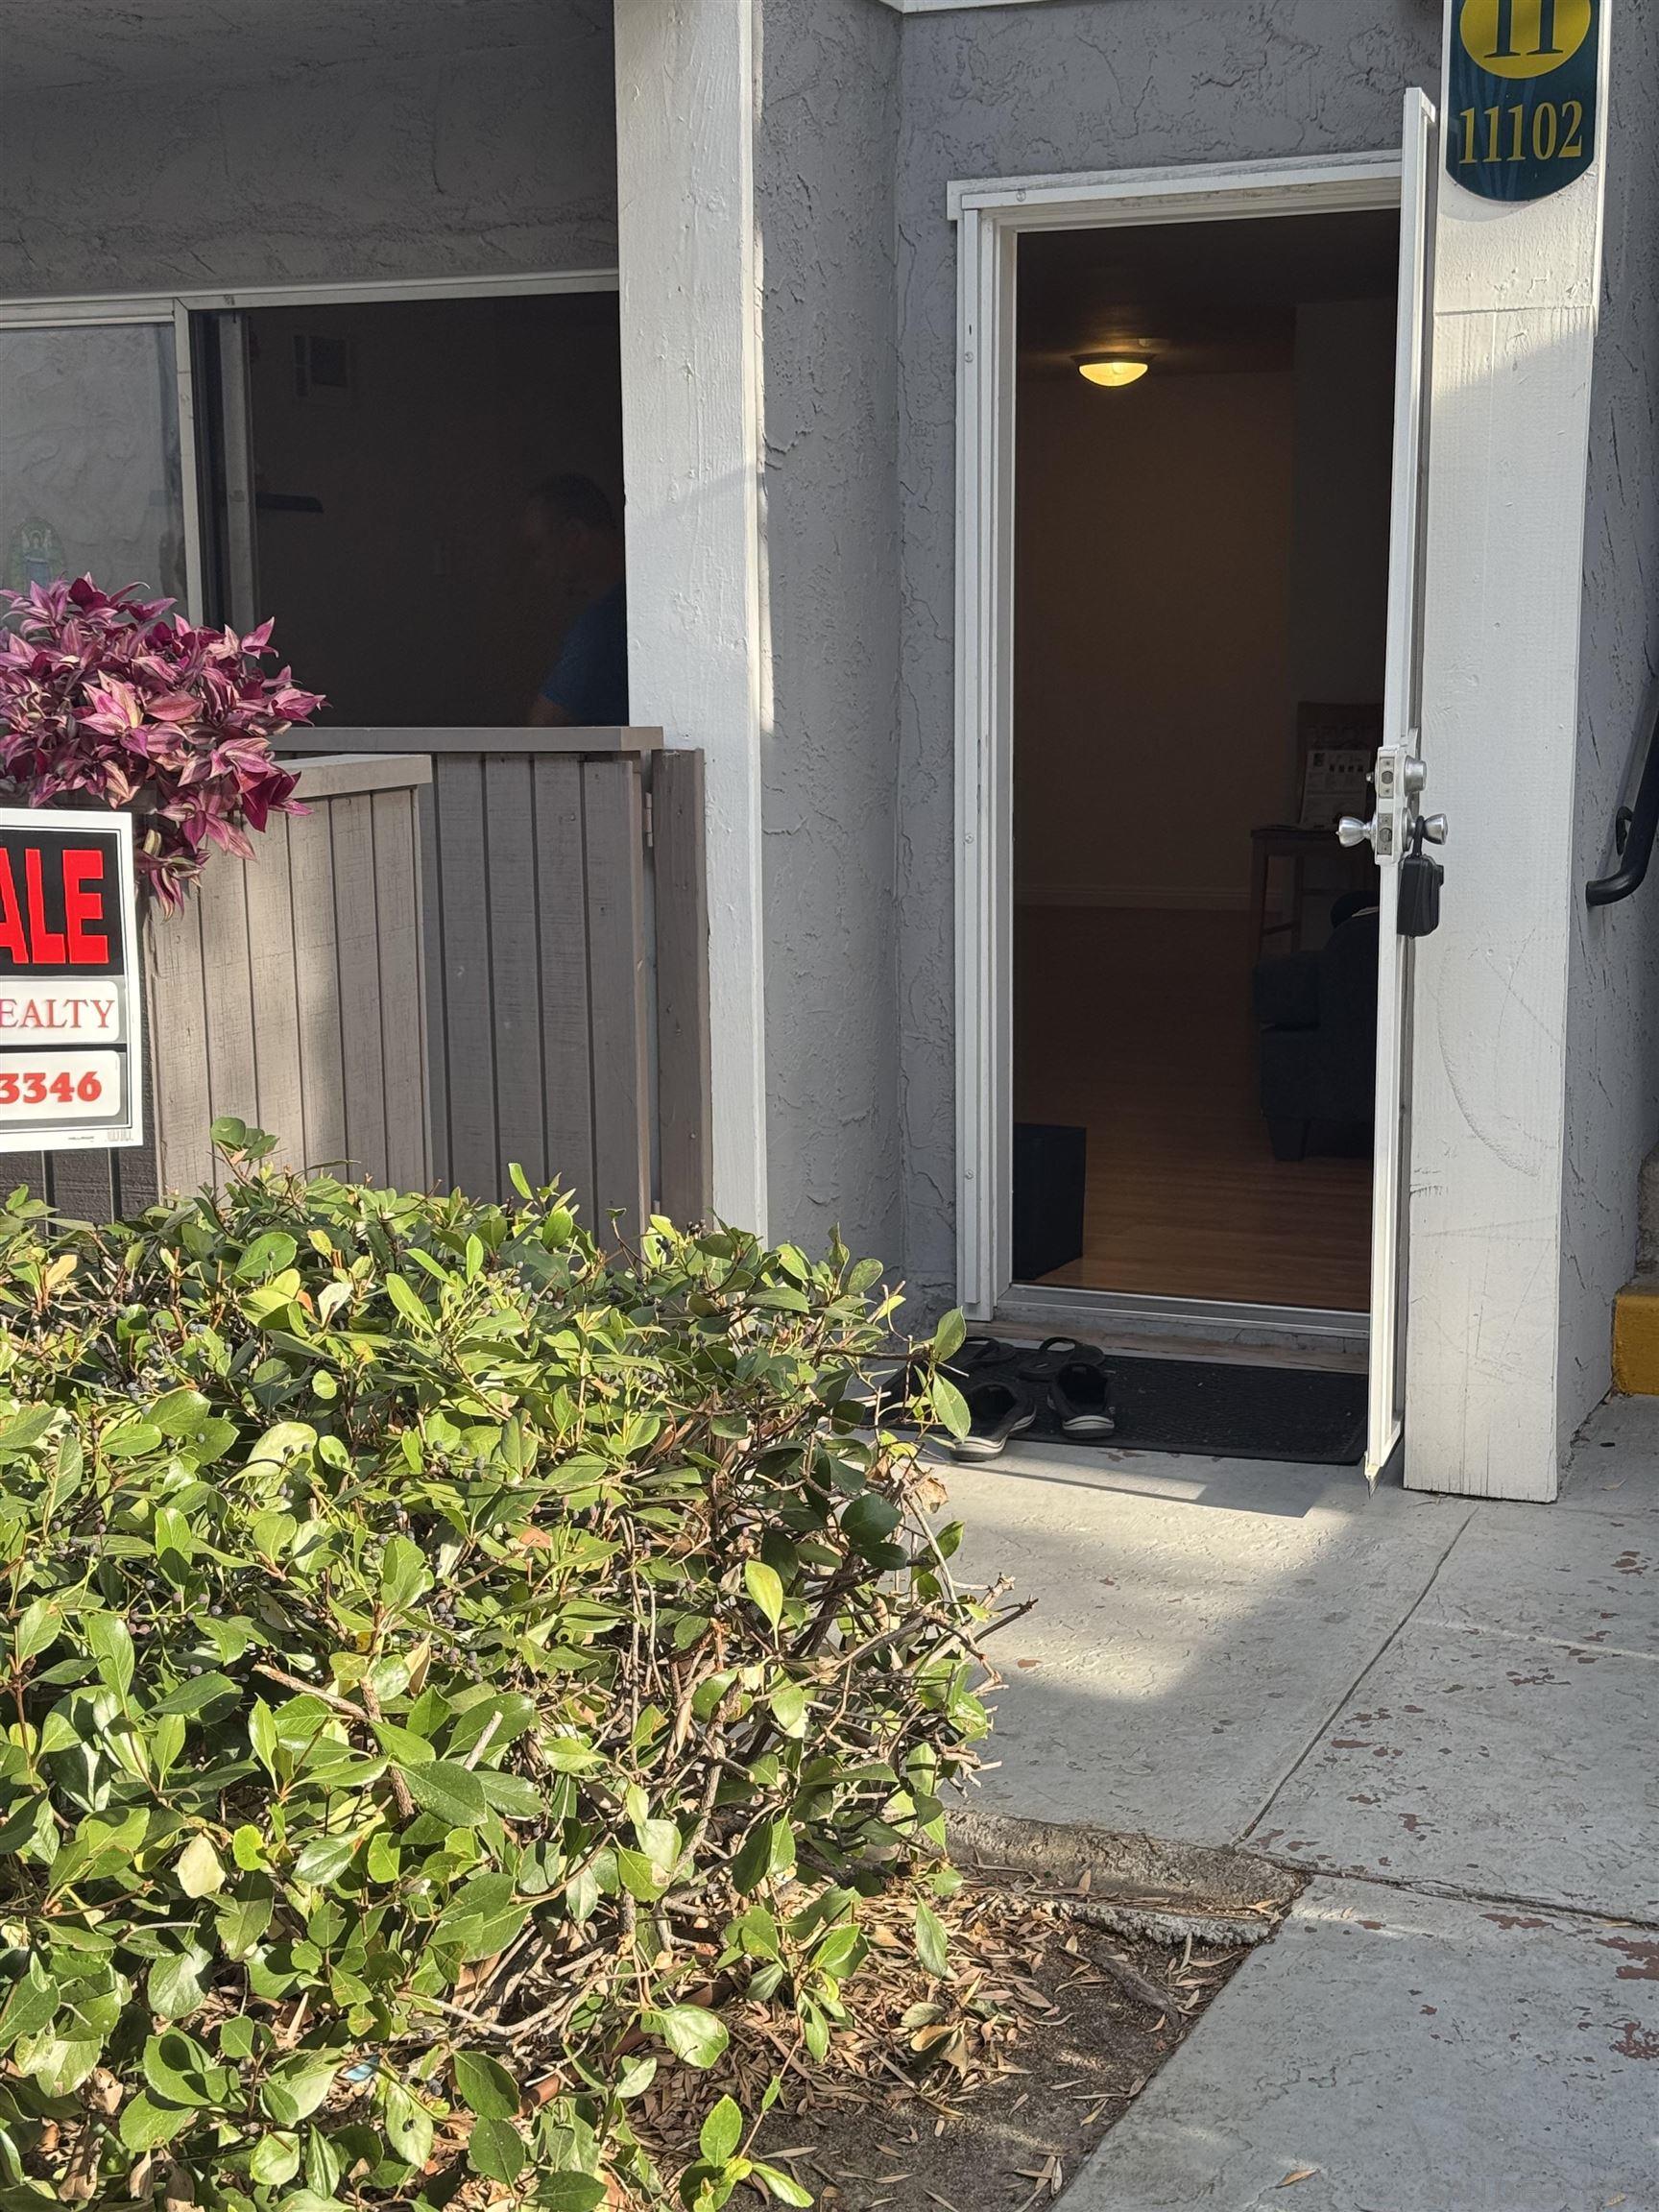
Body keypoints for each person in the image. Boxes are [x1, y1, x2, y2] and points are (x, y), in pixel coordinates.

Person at [524, 473, 628, 727]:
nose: (536, 567)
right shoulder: (625, 609)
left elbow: (540, 732)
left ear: (575, 536)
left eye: (538, 549)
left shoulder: (602, 627)